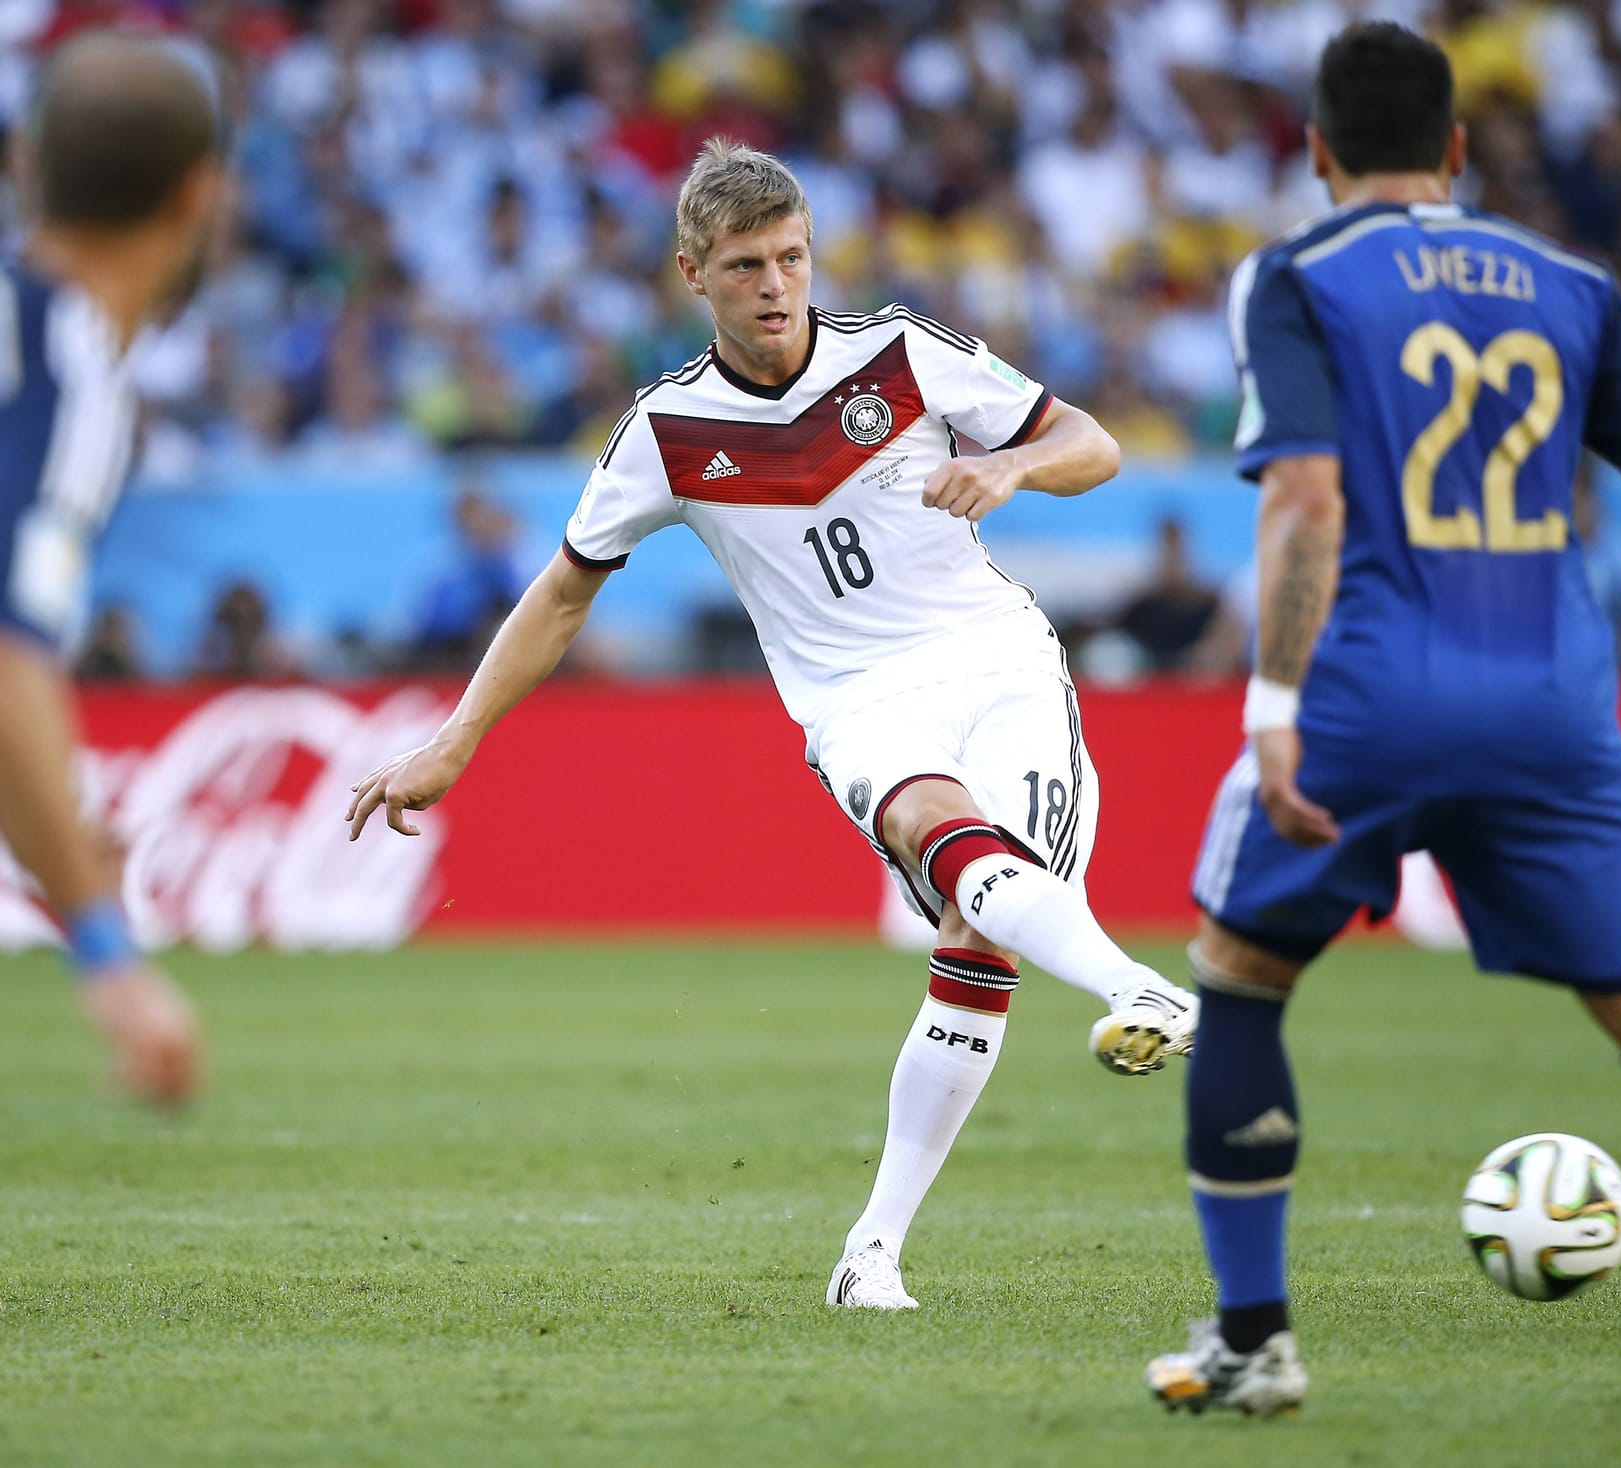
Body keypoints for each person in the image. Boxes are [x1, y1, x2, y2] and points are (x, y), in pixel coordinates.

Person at [1146, 23, 1621, 1430]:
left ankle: (1256, 1340)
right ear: (1454, 152)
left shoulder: (1298, 274)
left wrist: (1274, 704)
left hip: (1370, 691)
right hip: (1556, 707)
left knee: (1239, 975)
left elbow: (1305, 497)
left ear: (1315, 153)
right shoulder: (1573, 283)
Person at [346, 139, 1197, 1310]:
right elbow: (562, 592)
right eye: (745, 263)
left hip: (995, 660)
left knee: (978, 941)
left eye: (791, 256)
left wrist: (1013, 473)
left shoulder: (901, 355)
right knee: (950, 851)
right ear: (693, 272)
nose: (775, 283)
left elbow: (1091, 444)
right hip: (854, 701)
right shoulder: (666, 431)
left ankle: (871, 1250)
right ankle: (1136, 988)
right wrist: (456, 739)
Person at [0, 33, 224, 1105]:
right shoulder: (64, 372)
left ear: (24, 168)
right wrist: (108, 957)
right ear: (201, 194)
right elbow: (4, 663)